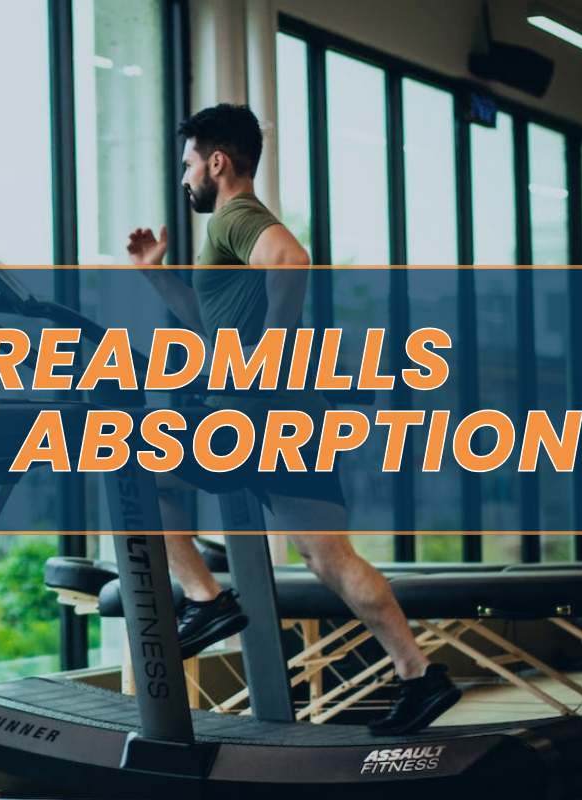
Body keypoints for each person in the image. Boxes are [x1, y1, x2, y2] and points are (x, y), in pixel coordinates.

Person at [125, 103, 460, 735]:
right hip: (295, 420)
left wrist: (271, 361)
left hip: (256, 415)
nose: (186, 177)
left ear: (217, 162)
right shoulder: (230, 232)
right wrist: (156, 275)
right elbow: (211, 319)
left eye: (190, 164)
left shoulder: (237, 218)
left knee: (134, 464)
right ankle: (419, 673)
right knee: (329, 556)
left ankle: (206, 601)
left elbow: (291, 259)